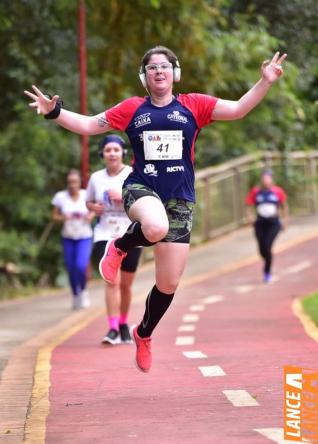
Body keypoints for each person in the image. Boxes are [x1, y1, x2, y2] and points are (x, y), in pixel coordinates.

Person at [25, 45, 287, 372]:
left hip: (180, 198)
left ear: (174, 73)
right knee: (155, 227)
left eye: (164, 66)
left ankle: (143, 333)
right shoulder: (133, 109)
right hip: (141, 188)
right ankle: (119, 246)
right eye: (152, 68)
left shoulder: (194, 105)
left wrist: (265, 82)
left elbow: (237, 109)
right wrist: (54, 112)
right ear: (144, 77)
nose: (158, 72)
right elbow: (91, 125)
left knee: (169, 283)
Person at [86, 135, 142, 345]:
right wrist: (94, 207)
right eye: (108, 150)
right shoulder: (96, 178)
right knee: (112, 281)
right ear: (102, 154)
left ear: (122, 153)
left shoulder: (132, 175)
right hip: (105, 234)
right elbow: (88, 202)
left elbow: (144, 199)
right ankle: (112, 328)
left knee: (126, 285)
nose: (112, 153)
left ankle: (123, 324)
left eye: (116, 150)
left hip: (131, 234)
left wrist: (123, 197)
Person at [52, 169, 94, 309]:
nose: (72, 185)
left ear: (79, 182)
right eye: (70, 182)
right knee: (71, 268)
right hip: (68, 237)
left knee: (81, 266)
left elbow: (94, 208)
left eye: (75, 182)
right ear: (67, 183)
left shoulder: (86, 194)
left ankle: (83, 291)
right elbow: (54, 216)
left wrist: (90, 215)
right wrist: (64, 217)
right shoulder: (60, 197)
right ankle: (75, 294)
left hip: (84, 236)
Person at [246, 168, 288, 283]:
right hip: (260, 223)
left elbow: (284, 206)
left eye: (268, 178)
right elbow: (249, 205)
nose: (266, 180)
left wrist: (285, 220)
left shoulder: (277, 191)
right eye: (264, 178)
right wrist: (250, 217)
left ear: (271, 179)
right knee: (261, 249)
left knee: (267, 245)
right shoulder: (256, 191)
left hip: (273, 223)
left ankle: (267, 272)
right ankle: (268, 259)